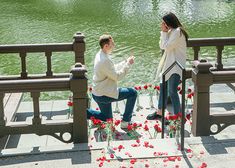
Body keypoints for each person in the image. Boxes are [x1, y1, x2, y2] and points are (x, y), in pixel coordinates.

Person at [87, 34, 138, 129]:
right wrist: (128, 65)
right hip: (104, 95)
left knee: (107, 118)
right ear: (106, 46)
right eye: (112, 44)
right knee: (133, 93)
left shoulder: (100, 54)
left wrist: (125, 62)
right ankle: (126, 122)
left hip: (98, 93)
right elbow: (117, 76)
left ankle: (84, 112)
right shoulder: (105, 60)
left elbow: (111, 69)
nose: (114, 45)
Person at [147, 12, 188, 120]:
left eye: (165, 23)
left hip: (175, 66)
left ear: (169, 22)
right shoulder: (171, 31)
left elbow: (167, 47)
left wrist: (164, 32)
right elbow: (162, 46)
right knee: (163, 88)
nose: (163, 25)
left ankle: (177, 117)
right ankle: (160, 112)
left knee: (172, 91)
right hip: (168, 65)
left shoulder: (177, 32)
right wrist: (164, 32)